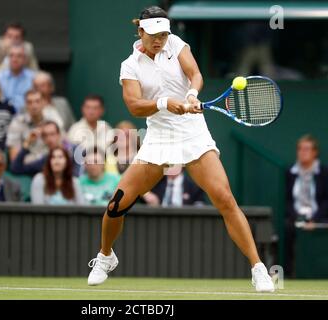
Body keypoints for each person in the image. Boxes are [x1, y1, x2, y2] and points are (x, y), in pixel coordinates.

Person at [87, 6, 275, 292]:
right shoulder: (130, 65)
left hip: (192, 133)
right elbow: (134, 106)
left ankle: (258, 268)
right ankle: (105, 256)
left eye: (163, 34)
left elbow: (195, 73)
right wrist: (164, 103)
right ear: (140, 32)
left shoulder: (176, 44)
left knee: (224, 198)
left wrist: (190, 94)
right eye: (153, 35)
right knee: (117, 203)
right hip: (159, 137)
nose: (160, 40)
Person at [285, 135, 328, 277]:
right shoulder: (290, 172)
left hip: (320, 218)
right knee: (288, 229)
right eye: (300, 149)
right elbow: (289, 200)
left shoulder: (324, 173)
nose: (303, 152)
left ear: (315, 152)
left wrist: (314, 220)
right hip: (295, 219)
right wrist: (298, 218)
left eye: (307, 149)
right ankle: (289, 274)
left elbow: (325, 200)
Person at [6, 90, 61, 165]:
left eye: (37, 101)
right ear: (25, 105)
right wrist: (28, 141)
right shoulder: (17, 123)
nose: (34, 106)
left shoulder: (52, 120)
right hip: (27, 168)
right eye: (30, 102)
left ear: (43, 103)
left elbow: (64, 144)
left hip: (52, 164)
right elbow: (14, 159)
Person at [0, 44, 35, 113]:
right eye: (11, 56)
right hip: (3, 116)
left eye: (19, 56)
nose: (14, 59)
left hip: (26, 116)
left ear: (25, 59)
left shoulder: (33, 78)